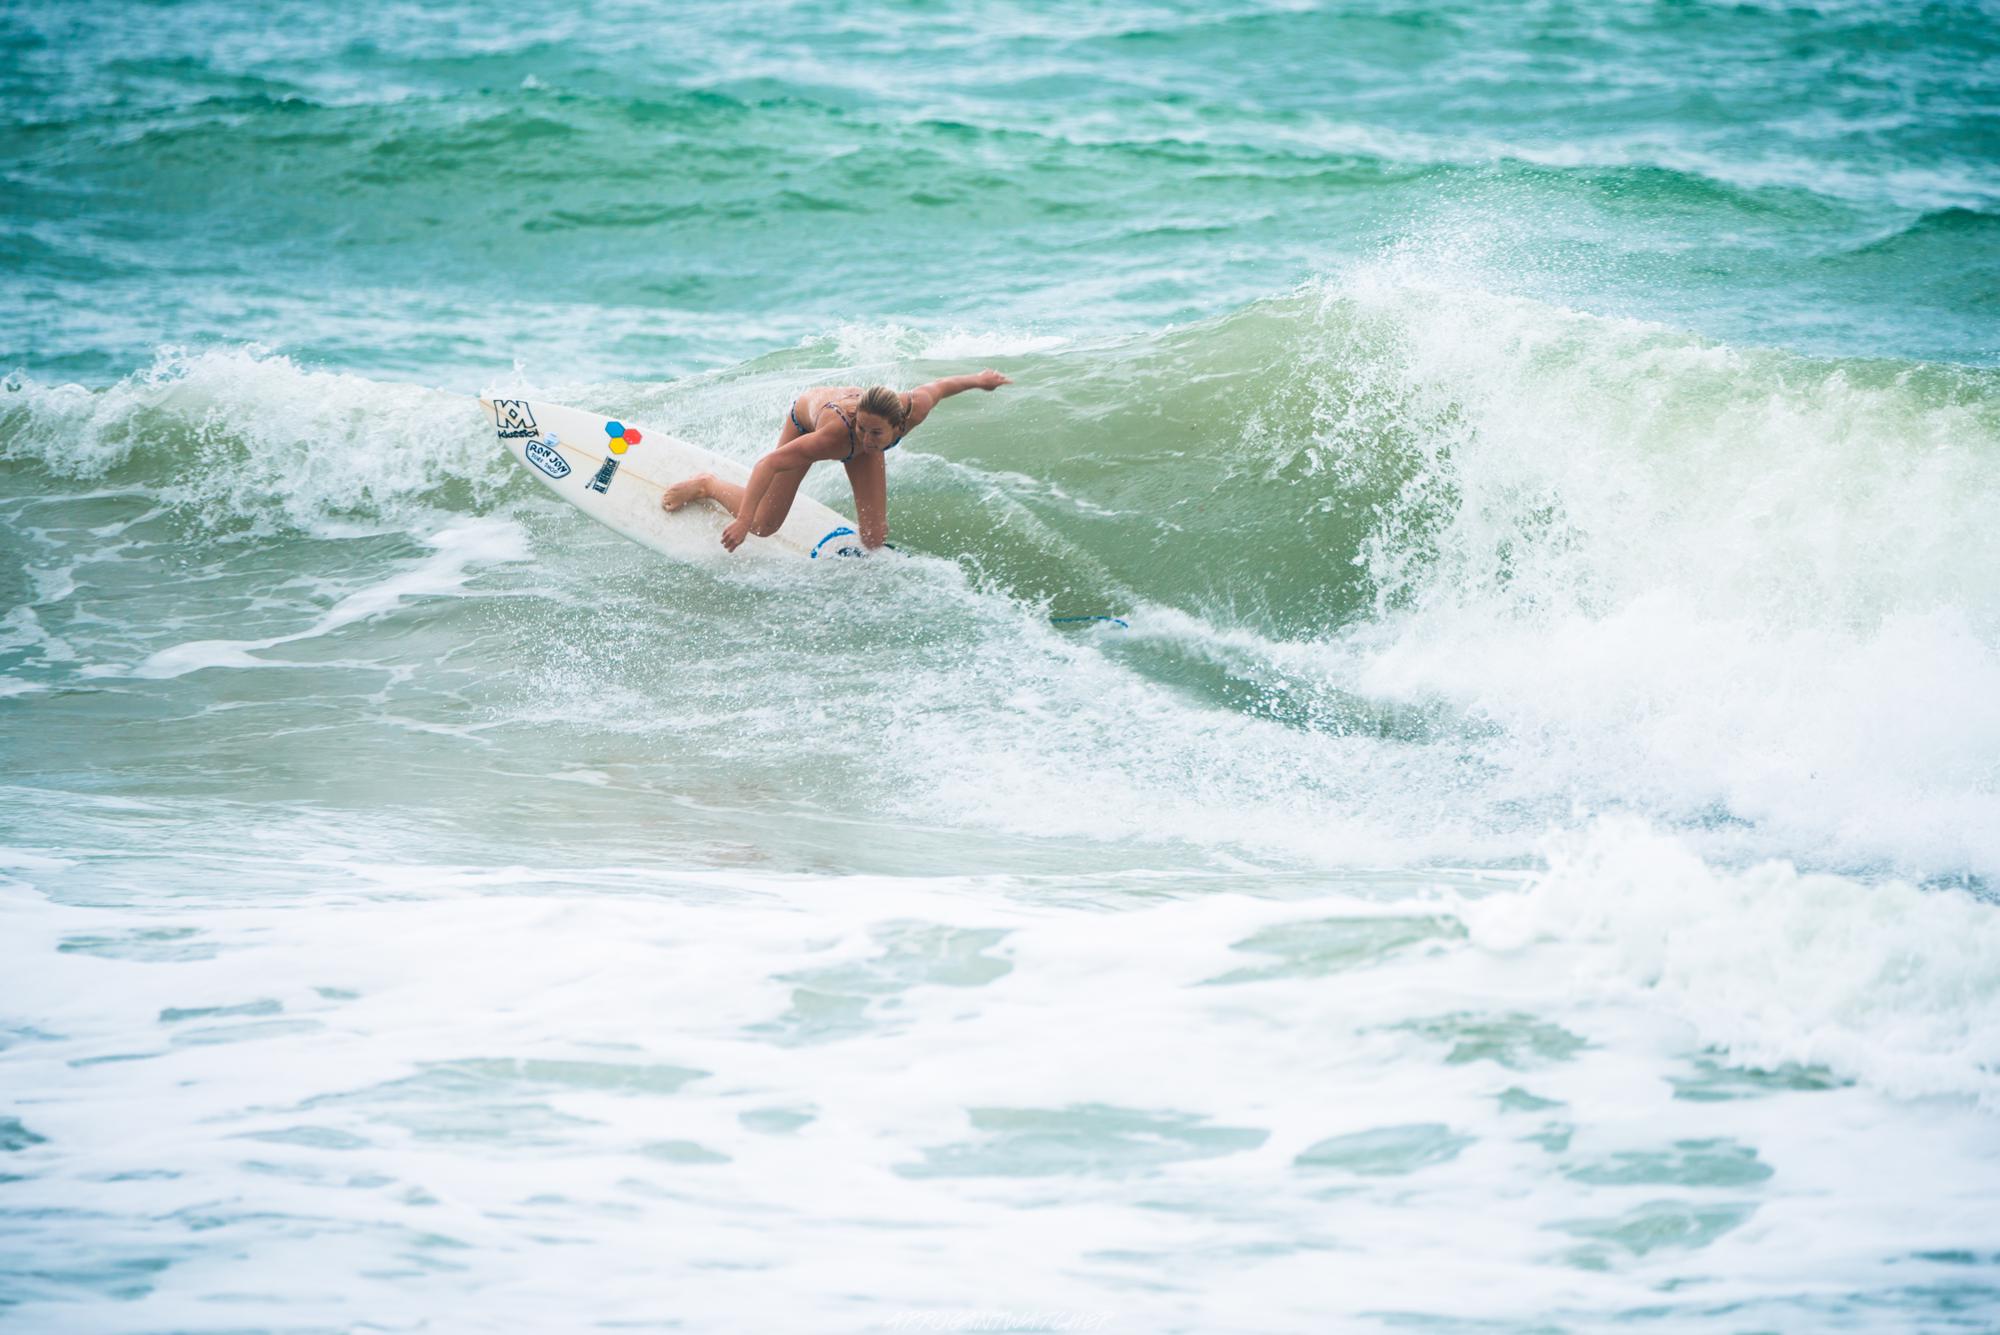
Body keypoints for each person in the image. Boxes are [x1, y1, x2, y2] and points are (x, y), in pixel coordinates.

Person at [661, 370, 1013, 551]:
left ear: (899, 425)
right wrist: (744, 519)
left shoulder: (914, 407)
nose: (867, 438)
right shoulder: (837, 436)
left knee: (874, 536)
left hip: (853, 441)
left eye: (876, 433)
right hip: (807, 420)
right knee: (763, 526)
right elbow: (769, 464)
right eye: (863, 429)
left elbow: (943, 385)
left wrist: (981, 381)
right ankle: (706, 484)